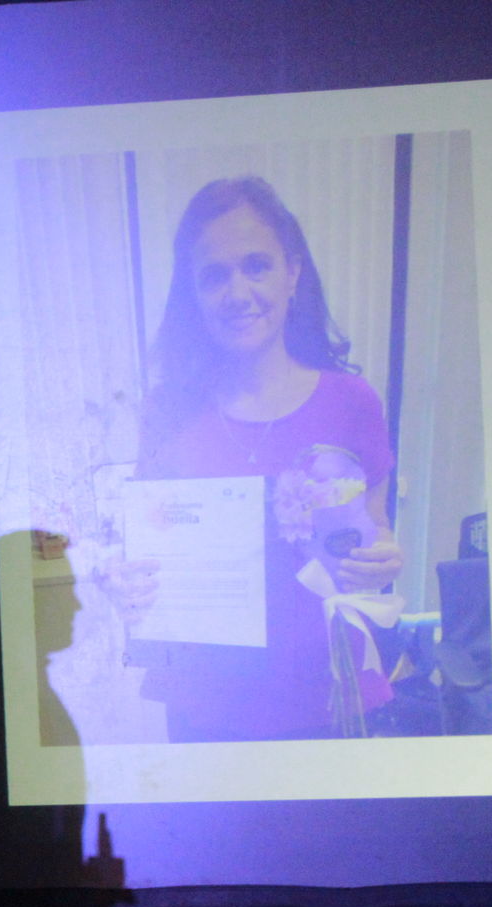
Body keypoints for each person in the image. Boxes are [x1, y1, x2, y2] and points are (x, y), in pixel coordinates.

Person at [109, 175, 404, 741]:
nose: (238, 292)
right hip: (207, 708)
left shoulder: (350, 402)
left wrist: (384, 560)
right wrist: (126, 583)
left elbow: (377, 530)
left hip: (329, 698)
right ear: (193, 293)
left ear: (293, 272)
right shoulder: (167, 414)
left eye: (257, 265)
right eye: (215, 275)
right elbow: (146, 553)